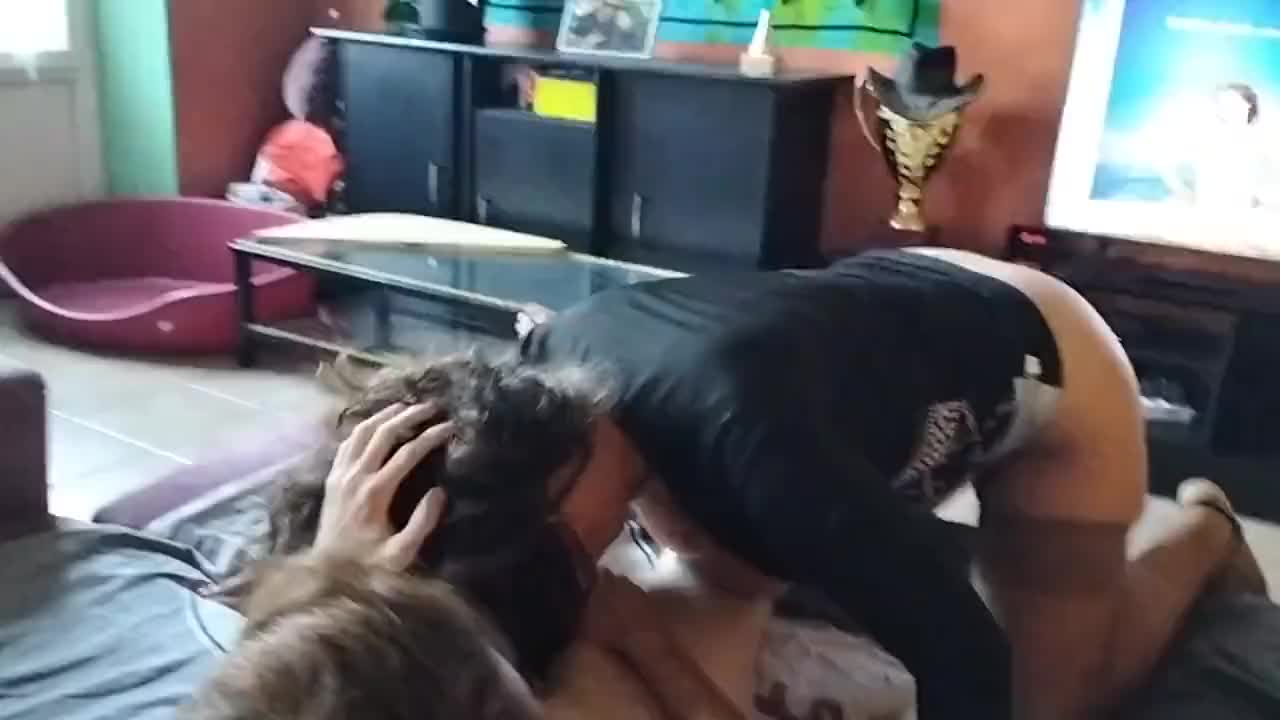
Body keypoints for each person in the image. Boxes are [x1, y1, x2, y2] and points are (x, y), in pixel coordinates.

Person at [512, 246, 1257, 719]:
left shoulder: (767, 458)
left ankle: (1207, 534)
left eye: (562, 538)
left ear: (567, 464)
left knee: (1051, 703)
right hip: (873, 326)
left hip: (1044, 348)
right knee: (710, 564)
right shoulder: (541, 366)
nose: (572, 557)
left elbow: (965, 654)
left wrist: (648, 640)